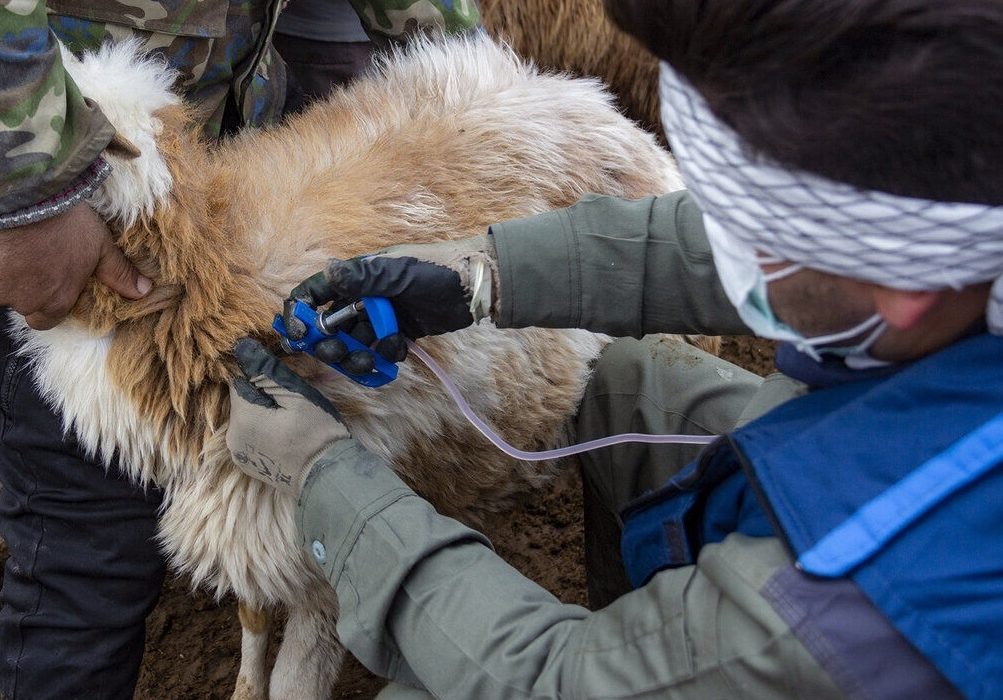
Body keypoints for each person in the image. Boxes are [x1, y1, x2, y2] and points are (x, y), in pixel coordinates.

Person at [225, 0, 1003, 698]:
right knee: (623, 378)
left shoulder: (845, 598)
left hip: (837, 595)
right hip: (865, 443)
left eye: (750, 232)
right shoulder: (952, 235)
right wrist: (478, 273)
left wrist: (327, 478)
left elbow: (554, 678)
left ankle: (666, 648)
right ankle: (648, 605)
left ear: (904, 289)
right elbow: (720, 247)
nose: (719, 238)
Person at [0, 2, 479, 697]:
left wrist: (474, 76)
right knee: (85, 557)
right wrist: (26, 195)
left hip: (202, 176)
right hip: (77, 202)